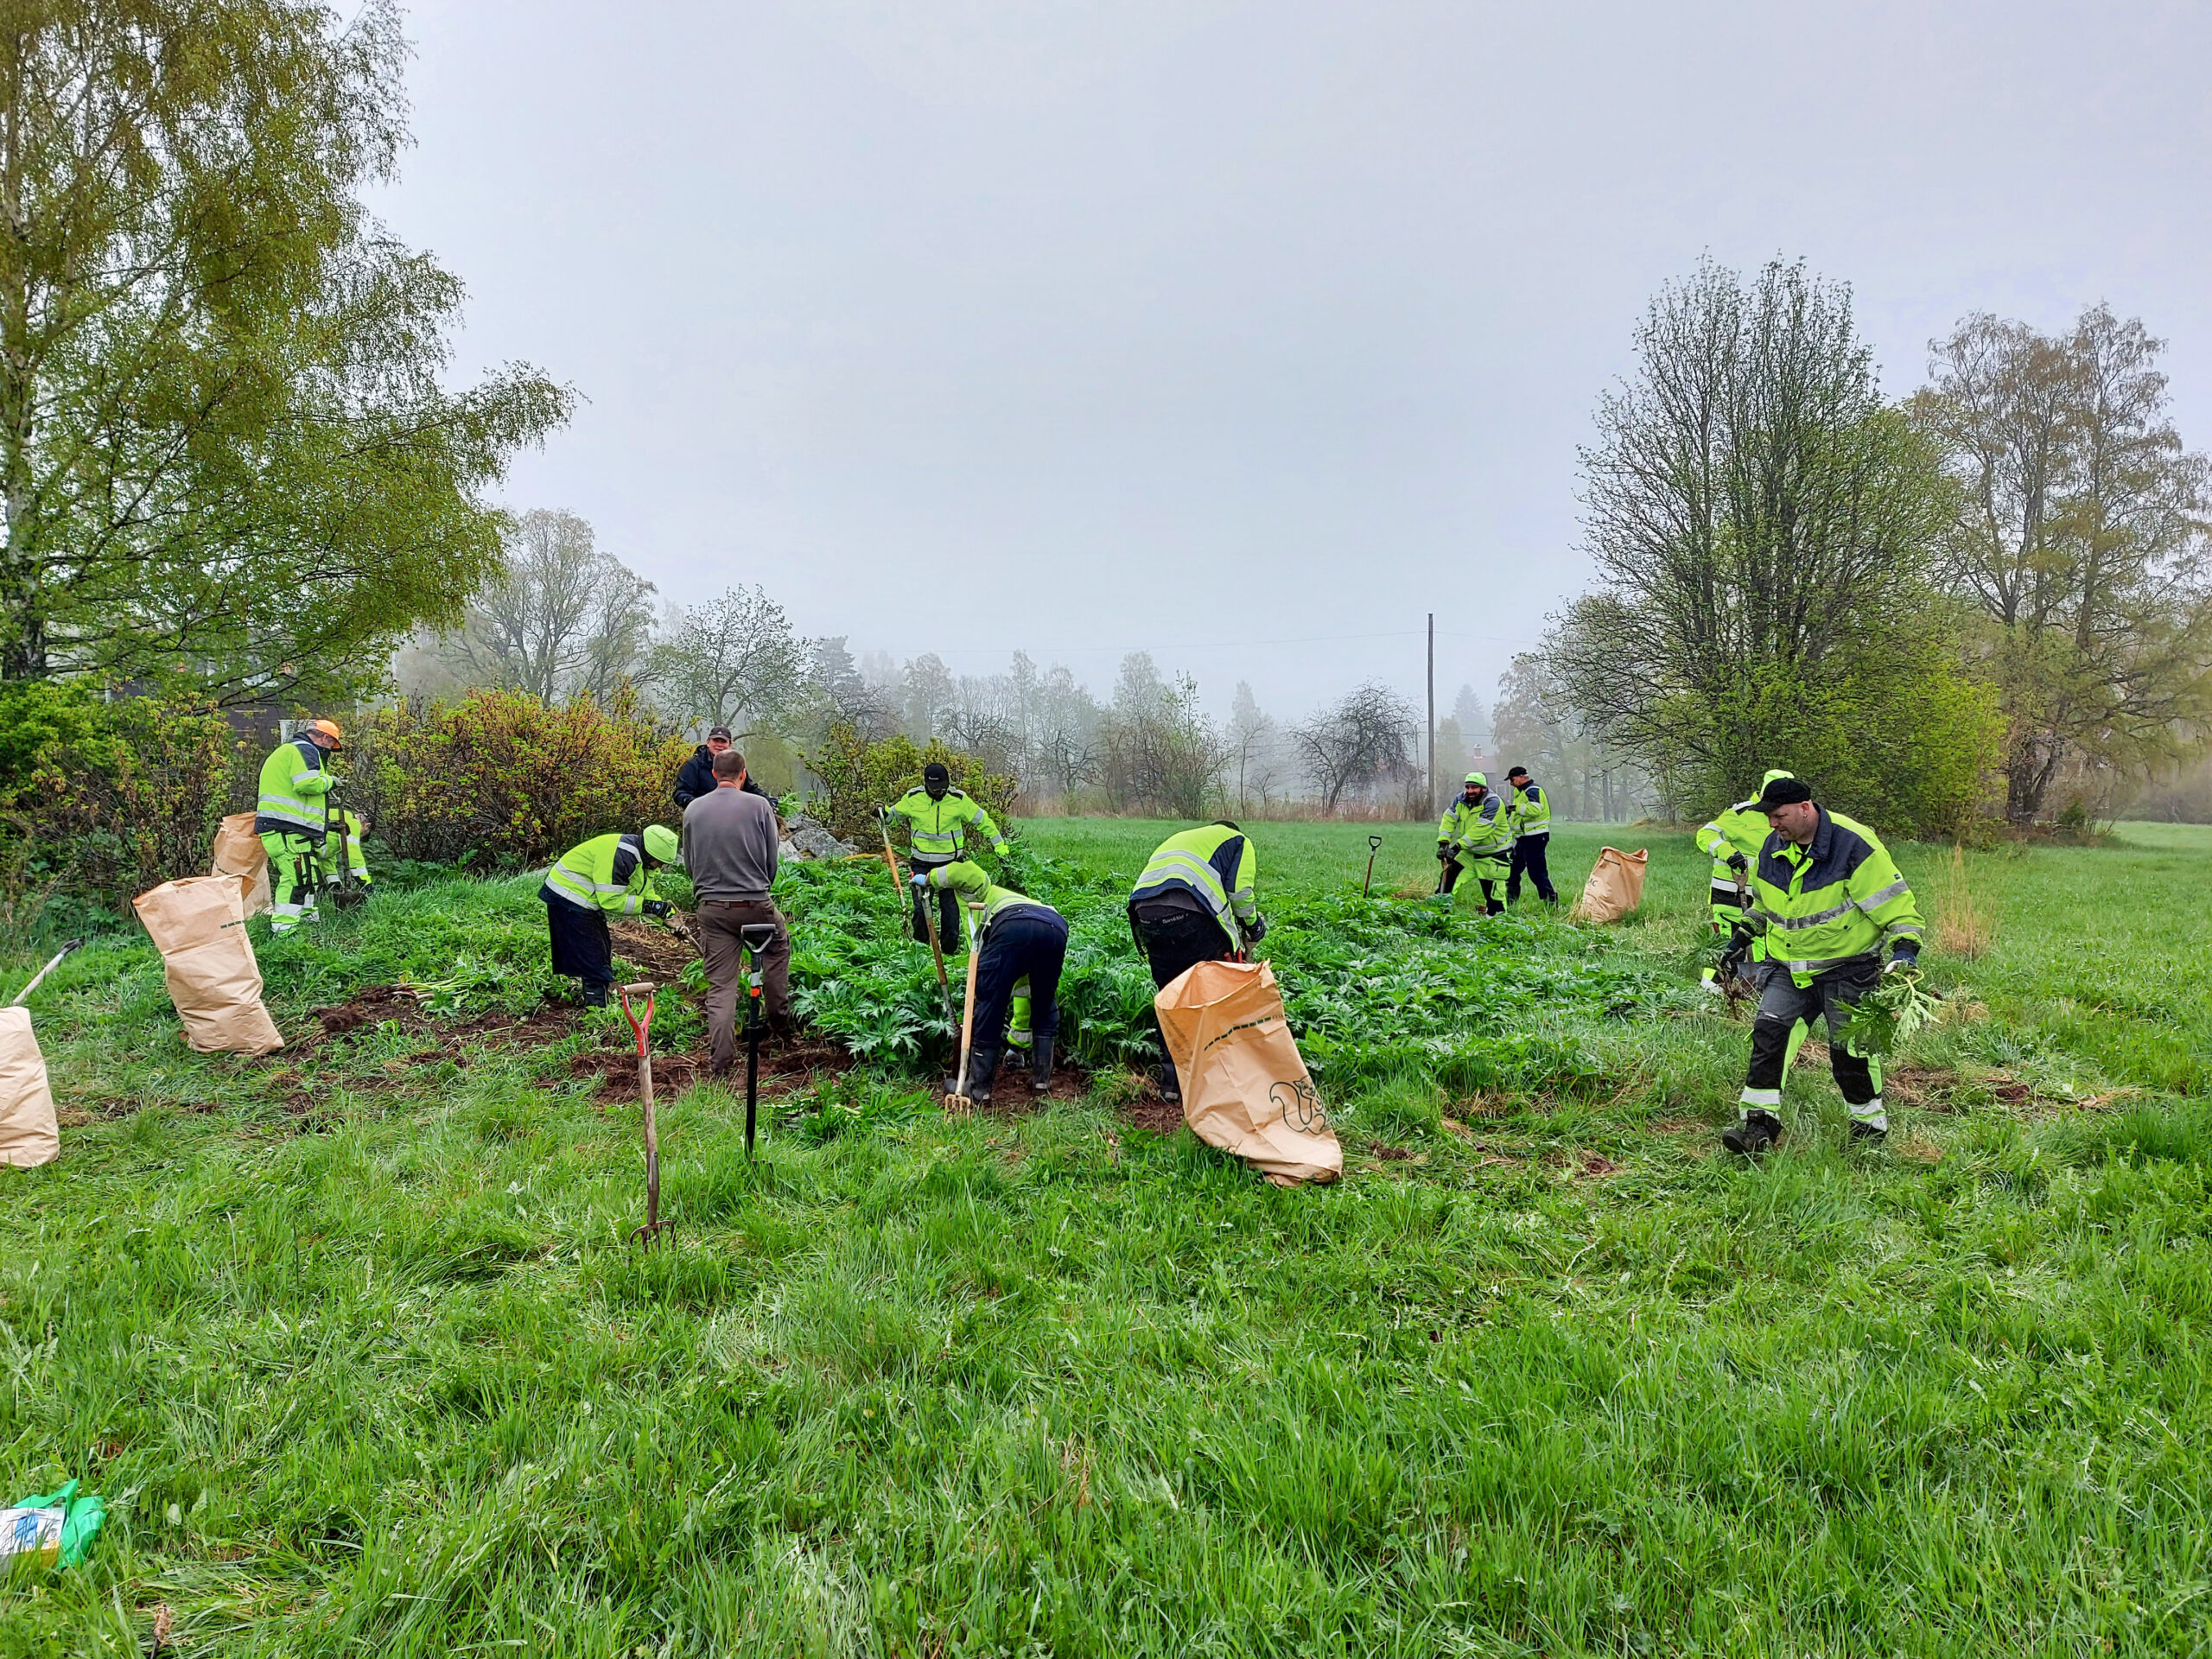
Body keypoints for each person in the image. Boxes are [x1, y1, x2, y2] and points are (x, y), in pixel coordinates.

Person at [1720, 776, 1923, 1156]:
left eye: (1779, 816)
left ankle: (1868, 1127)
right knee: (1769, 1035)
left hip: (1848, 967)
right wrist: (1743, 935)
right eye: (1768, 818)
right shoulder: (1773, 845)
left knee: (1850, 1051)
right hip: (1788, 967)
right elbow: (1766, 905)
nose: (1772, 825)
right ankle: (1758, 1127)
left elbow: (1895, 904)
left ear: (1805, 808)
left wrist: (1906, 948)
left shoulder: (1853, 844)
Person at [1128, 822, 1263, 1102]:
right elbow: (1239, 894)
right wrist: (1253, 926)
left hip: (1145, 912)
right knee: (1213, 991)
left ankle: (1171, 1085)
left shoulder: (1185, 838)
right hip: (1189, 913)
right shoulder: (1239, 841)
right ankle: (1219, 1081)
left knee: (1171, 996)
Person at [682, 747, 794, 1077]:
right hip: (755, 903)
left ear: (714, 775)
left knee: (720, 986)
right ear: (743, 774)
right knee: (777, 949)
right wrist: (761, 886)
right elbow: (772, 859)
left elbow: (689, 863)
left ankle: (721, 1064)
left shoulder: (693, 809)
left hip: (712, 908)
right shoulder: (759, 805)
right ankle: (780, 1025)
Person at [919, 860, 1067, 1103]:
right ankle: (1042, 1082)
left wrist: (927, 878)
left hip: (1010, 926)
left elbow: (963, 870)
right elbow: (1024, 994)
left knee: (991, 1005)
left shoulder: (983, 892)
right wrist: (1016, 1046)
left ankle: (978, 1089)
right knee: (1043, 1000)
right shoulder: (1017, 900)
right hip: (1055, 927)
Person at [541, 823, 681, 1007]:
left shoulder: (642, 860)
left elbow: (645, 894)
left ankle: (599, 994)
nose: (661, 867)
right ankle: (596, 1008)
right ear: (651, 855)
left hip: (585, 899)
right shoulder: (622, 856)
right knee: (593, 953)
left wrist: (665, 915)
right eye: (661, 862)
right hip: (568, 895)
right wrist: (652, 907)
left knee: (602, 946)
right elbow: (610, 901)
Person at [885, 762, 1007, 950]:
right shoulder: (913, 798)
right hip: (921, 864)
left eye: (943, 788)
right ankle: (921, 949)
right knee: (920, 908)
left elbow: (982, 820)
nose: (940, 793)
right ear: (926, 785)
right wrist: (882, 813)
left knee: (950, 910)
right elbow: (892, 816)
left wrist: (999, 844)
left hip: (951, 865)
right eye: (935, 790)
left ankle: (949, 952)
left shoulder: (958, 799)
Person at [255, 718, 344, 935]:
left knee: (308, 877)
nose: (330, 751)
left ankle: (308, 925)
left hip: (287, 829)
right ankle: (285, 931)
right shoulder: (306, 750)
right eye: (331, 746)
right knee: (296, 879)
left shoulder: (289, 751)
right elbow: (307, 783)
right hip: (286, 828)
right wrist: (331, 781)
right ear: (324, 738)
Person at [1434, 772, 1514, 916]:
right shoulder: (1460, 800)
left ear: (1483, 788)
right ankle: (1439, 916)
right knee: (1447, 882)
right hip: (1469, 854)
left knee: (1494, 897)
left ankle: (1498, 927)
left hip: (1493, 857)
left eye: (1474, 788)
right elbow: (1449, 819)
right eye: (1468, 787)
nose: (1470, 791)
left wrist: (1457, 847)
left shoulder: (1493, 803)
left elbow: (1481, 829)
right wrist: (1443, 843)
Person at [674, 726, 772, 810]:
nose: (719, 745)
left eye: (723, 742)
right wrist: (701, 806)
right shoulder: (693, 765)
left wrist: (769, 801)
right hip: (701, 817)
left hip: (732, 815)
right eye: (716, 741)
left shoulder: (736, 763)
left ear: (730, 745)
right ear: (708, 742)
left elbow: (751, 789)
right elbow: (680, 794)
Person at [1503, 766, 1558, 907]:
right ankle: (1510, 902)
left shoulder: (1533, 790)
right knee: (1513, 869)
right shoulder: (1520, 793)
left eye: (1512, 779)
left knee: (1536, 872)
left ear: (1522, 777)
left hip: (1535, 837)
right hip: (1523, 838)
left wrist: (1515, 808)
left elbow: (1535, 809)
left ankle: (1551, 901)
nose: (1511, 783)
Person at [316, 809, 373, 895]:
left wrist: (335, 884)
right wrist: (366, 883)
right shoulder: (353, 822)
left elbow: (326, 857)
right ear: (367, 826)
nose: (360, 837)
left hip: (299, 846)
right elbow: (353, 855)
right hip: (301, 851)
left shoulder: (338, 814)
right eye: (364, 834)